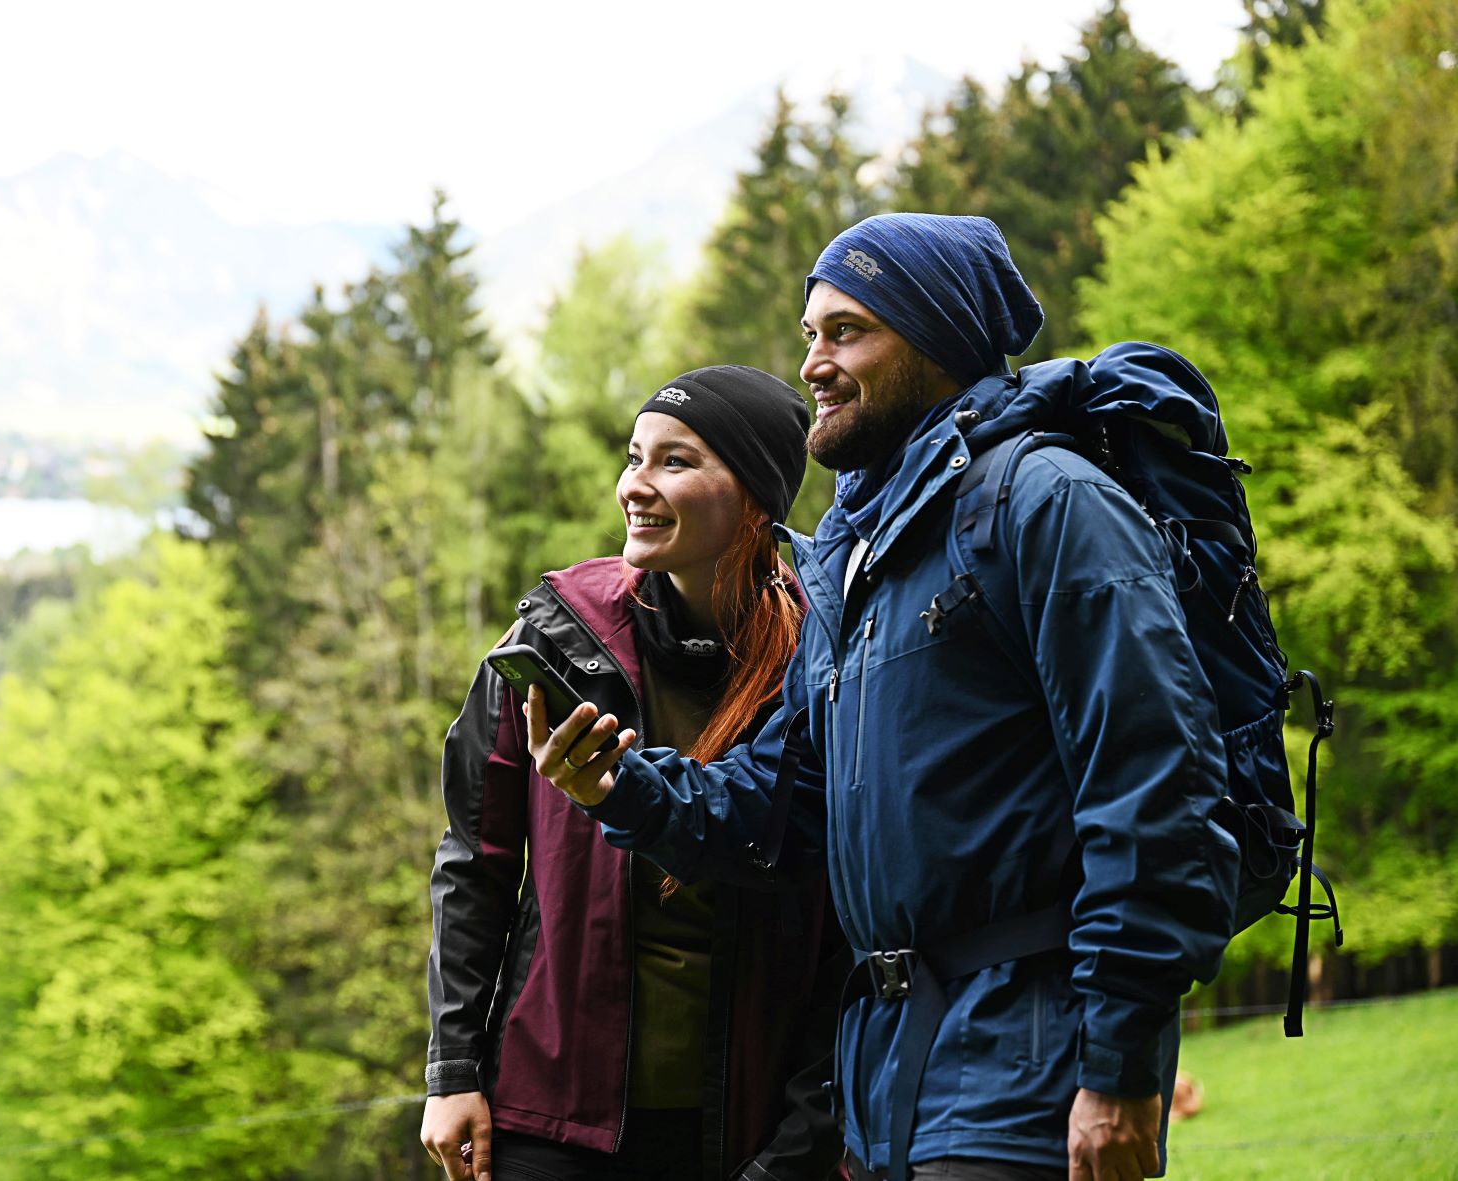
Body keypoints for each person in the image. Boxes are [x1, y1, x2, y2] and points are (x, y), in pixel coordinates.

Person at [526, 214, 1240, 1181]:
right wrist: (621, 787)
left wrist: (1116, 1064)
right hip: (886, 1083)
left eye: (848, 331)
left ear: (937, 342)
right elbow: (785, 805)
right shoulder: (858, 561)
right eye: (810, 333)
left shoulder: (1047, 502)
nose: (813, 363)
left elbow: (1155, 787)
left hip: (1024, 1071)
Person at [421, 365, 846, 1181]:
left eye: (674, 461)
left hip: (741, 1124)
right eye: (633, 456)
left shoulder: (824, 662)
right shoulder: (554, 636)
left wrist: (806, 1133)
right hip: (551, 1116)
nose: (634, 486)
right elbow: (474, 864)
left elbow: (846, 922)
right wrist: (452, 1072)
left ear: (754, 495)